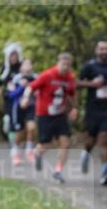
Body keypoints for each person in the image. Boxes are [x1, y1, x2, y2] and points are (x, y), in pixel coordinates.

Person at [21, 53, 77, 183]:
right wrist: (25, 97)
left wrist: (74, 108)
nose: (65, 67)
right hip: (44, 114)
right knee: (47, 144)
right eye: (63, 64)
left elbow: (71, 94)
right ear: (58, 63)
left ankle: (58, 171)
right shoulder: (48, 75)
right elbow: (31, 87)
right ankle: (37, 153)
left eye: (68, 65)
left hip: (60, 115)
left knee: (65, 143)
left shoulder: (69, 78)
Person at [77, 41, 107, 185]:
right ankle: (85, 153)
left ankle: (105, 171)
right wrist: (91, 84)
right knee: (91, 141)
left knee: (105, 140)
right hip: (92, 110)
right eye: (101, 49)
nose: (104, 51)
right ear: (96, 51)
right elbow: (76, 83)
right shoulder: (89, 66)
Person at [8, 59, 37, 166]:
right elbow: (11, 95)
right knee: (19, 132)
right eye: (25, 64)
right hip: (18, 107)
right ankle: (15, 152)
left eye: (30, 63)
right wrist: (21, 86)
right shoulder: (16, 78)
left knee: (32, 127)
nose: (28, 66)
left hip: (31, 106)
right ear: (21, 67)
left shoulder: (36, 77)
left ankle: (29, 150)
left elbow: (41, 92)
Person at [0, 42, 23, 139]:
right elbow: (0, 80)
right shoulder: (6, 67)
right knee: (10, 117)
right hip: (9, 96)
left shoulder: (21, 66)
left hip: (20, 96)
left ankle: (14, 136)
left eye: (15, 55)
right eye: (11, 55)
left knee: (17, 118)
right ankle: (11, 136)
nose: (13, 57)